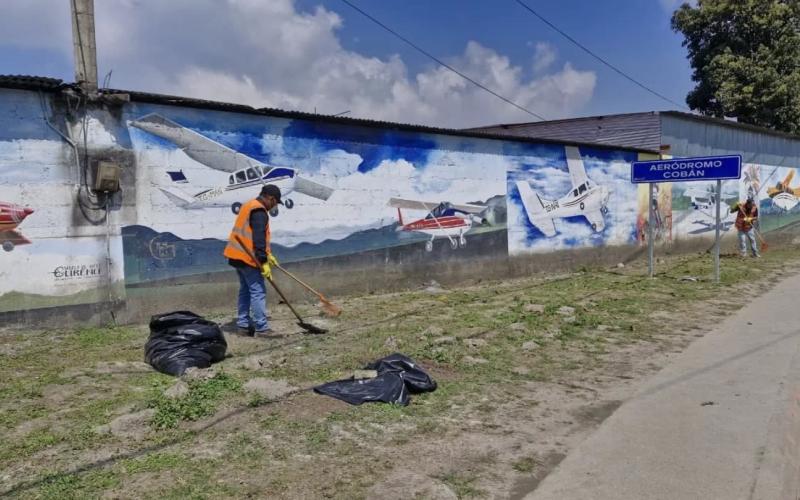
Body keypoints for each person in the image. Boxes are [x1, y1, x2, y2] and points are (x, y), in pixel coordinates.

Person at [223, 184, 282, 336]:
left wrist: (268, 255)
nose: (274, 206)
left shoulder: (248, 205)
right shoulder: (259, 211)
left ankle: (243, 325)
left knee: (245, 290)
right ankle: (262, 328)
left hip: (236, 256)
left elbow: (249, 234)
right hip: (248, 258)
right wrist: (263, 261)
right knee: (258, 291)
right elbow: (258, 238)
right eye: (275, 203)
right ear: (270, 198)